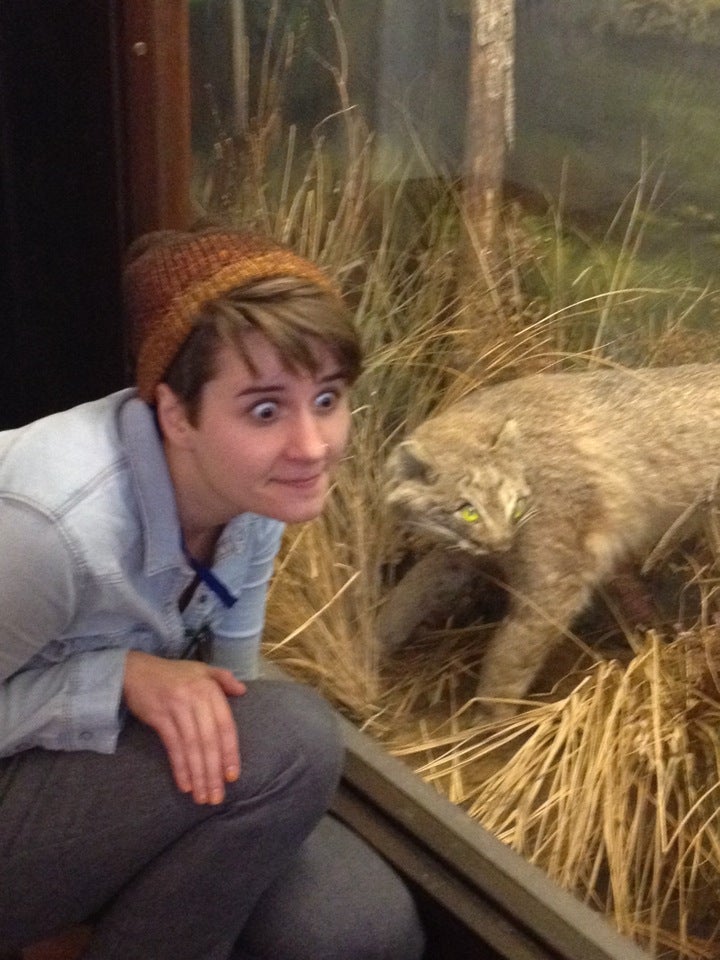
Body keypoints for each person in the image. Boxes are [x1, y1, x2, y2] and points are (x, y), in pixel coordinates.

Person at [0, 227, 426, 960]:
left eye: (327, 398)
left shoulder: (251, 490)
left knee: (358, 928)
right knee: (297, 736)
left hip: (83, 766)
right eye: (265, 410)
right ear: (175, 414)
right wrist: (113, 679)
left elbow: (237, 689)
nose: (312, 446)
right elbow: (274, 737)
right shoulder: (49, 529)